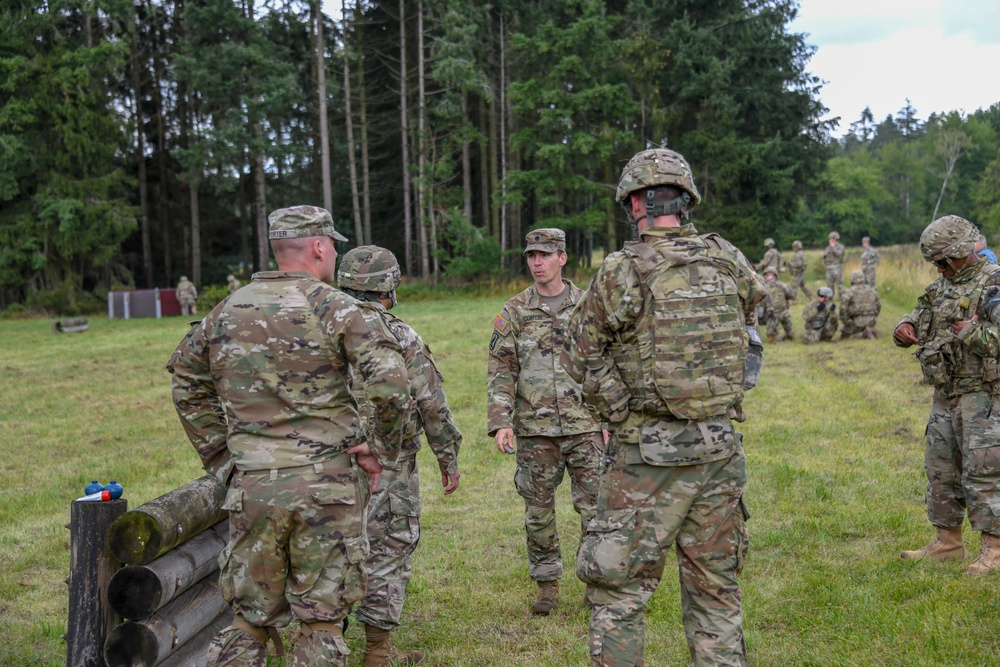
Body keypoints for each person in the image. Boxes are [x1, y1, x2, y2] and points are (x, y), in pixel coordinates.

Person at [167, 205, 410, 666]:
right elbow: (391, 383)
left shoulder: (226, 310)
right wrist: (379, 448)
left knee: (250, 618)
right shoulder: (335, 306)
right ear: (318, 247)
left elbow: (185, 380)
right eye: (333, 246)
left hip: (253, 486)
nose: (334, 254)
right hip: (328, 487)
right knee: (321, 619)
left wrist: (222, 455)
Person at [561, 147, 766, 667]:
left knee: (620, 594)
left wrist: (619, 412)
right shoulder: (728, 258)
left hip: (645, 459)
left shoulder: (621, 270)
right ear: (687, 200)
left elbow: (578, 354)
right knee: (716, 591)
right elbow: (751, 321)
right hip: (719, 449)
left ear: (635, 204)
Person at [338, 245, 461, 667]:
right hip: (389, 464)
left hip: (324, 463)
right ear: (389, 285)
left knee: (329, 549)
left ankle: (325, 641)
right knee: (387, 549)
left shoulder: (317, 329)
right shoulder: (399, 335)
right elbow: (432, 404)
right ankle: (376, 652)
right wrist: (448, 456)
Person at [487, 227, 606, 616]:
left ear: (562, 258)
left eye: (544, 255)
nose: (536, 262)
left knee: (595, 509)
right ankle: (547, 586)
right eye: (531, 256)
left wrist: (610, 418)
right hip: (535, 429)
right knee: (538, 511)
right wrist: (500, 420)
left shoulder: (587, 305)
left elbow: (606, 364)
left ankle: (596, 583)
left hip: (586, 424)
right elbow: (502, 369)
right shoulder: (515, 310)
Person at [893, 215, 1000, 576]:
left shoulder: (993, 284)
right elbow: (919, 313)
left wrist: (971, 331)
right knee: (940, 469)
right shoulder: (940, 286)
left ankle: (994, 549)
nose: (939, 268)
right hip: (946, 393)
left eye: (943, 261)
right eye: (935, 263)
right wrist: (903, 327)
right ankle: (948, 542)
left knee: (984, 472)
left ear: (962, 252)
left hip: (984, 397)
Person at [840, 271, 881, 339]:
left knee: (845, 335)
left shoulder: (849, 291)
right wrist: (874, 316)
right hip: (871, 321)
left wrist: (846, 322)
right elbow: (878, 306)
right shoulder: (871, 290)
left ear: (852, 279)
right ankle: (870, 330)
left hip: (857, 322)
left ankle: (863, 334)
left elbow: (843, 308)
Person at [762, 266, 796, 343]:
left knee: (771, 320)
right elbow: (791, 295)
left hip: (770, 313)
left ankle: (772, 334)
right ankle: (789, 332)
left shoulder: (762, 286)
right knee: (786, 319)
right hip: (782, 311)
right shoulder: (782, 285)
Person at [822, 231, 846, 299]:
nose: (831, 240)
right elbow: (824, 257)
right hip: (829, 268)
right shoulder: (827, 248)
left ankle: (842, 298)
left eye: (832, 239)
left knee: (840, 285)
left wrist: (833, 247)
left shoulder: (840, 247)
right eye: (830, 239)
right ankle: (830, 297)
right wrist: (824, 255)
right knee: (829, 284)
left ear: (836, 239)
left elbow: (839, 255)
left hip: (837, 268)